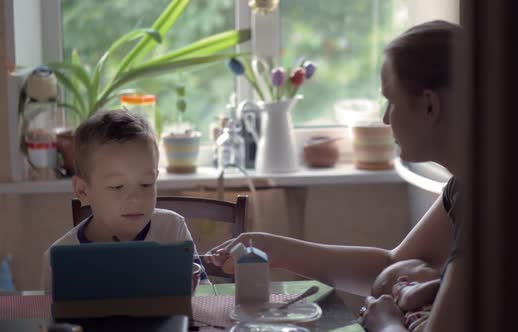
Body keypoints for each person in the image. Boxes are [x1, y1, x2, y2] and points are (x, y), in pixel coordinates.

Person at [207, 20, 466, 331]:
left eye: (391, 101)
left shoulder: (495, 206)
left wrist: (384, 324)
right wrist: (272, 248)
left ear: (429, 105)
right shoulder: (464, 187)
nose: (385, 118)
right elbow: (389, 267)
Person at [40, 110, 201, 292]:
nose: (135, 198)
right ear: (83, 191)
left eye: (146, 184)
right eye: (117, 186)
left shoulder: (173, 229)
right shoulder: (58, 259)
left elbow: (203, 295)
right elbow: (52, 317)